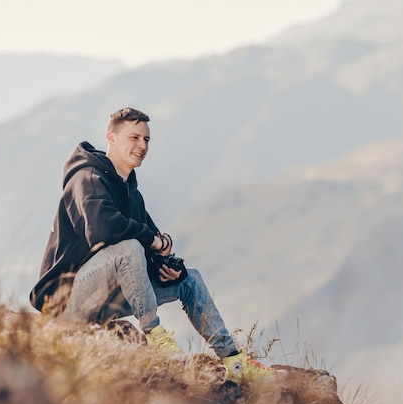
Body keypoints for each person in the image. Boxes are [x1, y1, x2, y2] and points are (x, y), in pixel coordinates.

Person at [29, 107, 275, 382]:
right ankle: (156, 338)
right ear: (111, 138)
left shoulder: (132, 193)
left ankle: (235, 361)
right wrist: (152, 239)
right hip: (66, 300)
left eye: (146, 139)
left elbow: (150, 249)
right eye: (134, 137)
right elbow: (103, 229)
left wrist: (169, 269)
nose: (142, 145)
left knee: (190, 279)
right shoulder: (87, 178)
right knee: (129, 248)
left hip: (105, 298)